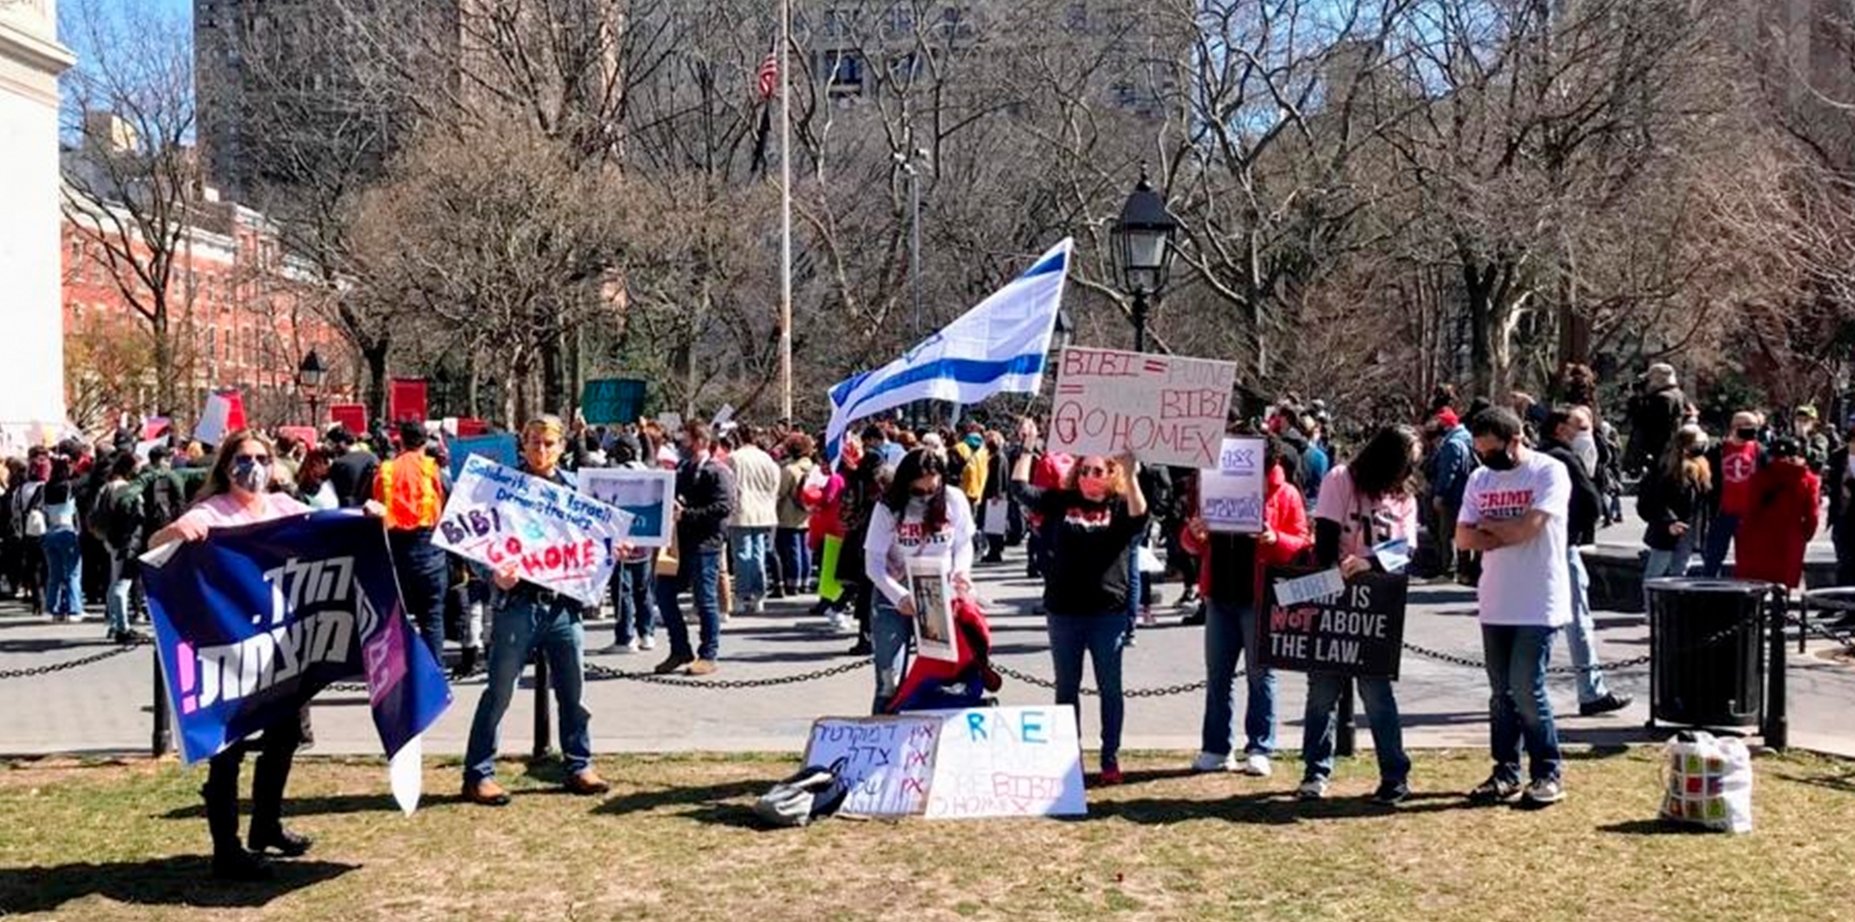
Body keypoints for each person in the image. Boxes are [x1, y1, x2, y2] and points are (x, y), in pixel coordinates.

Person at [147, 431, 324, 879]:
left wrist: (367, 517)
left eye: (262, 458)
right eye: (243, 458)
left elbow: (330, 531)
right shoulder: (211, 511)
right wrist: (175, 530)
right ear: (226, 466)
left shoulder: (285, 507)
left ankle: (266, 826)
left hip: (282, 649)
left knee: (284, 738)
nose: (254, 466)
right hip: (228, 649)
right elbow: (154, 551)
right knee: (227, 750)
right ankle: (226, 848)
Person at [463, 415, 611, 806]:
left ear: (562, 446)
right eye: (533, 443)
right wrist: (493, 574)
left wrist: (615, 550)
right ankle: (478, 773)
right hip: (518, 604)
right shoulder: (500, 489)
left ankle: (579, 764)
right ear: (522, 446)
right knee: (498, 692)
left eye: (548, 443)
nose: (541, 450)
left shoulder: (578, 489)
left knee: (574, 693)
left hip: (563, 607)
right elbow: (475, 541)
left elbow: (599, 540)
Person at [1010, 447, 1148, 785]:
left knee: (1109, 688)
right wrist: (1027, 447)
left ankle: (1109, 758)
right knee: (1066, 689)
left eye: (1098, 471)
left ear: (1110, 474)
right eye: (1084, 471)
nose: (1089, 478)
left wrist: (1131, 476)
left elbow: (1140, 518)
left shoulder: (1119, 504)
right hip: (1064, 611)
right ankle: (1067, 756)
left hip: (1107, 613)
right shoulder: (1061, 501)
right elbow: (1020, 489)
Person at [1456, 408, 1571, 806]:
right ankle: (1505, 771)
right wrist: (1499, 531)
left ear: (1516, 438)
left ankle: (1547, 770)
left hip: (1539, 599)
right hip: (1495, 600)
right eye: (1480, 451)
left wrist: (1491, 528)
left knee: (1526, 688)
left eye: (1492, 450)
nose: (1486, 459)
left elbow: (1531, 528)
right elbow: (1463, 537)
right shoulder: (1479, 478)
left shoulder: (1548, 471)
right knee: (1500, 694)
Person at [1300, 425, 1420, 803]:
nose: (1409, 472)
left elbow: (1406, 549)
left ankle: (1394, 774)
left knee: (1377, 693)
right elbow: (1325, 538)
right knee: (1322, 691)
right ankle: (1316, 771)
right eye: (1406, 463)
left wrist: (1369, 562)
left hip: (1377, 599)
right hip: (1333, 593)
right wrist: (1333, 578)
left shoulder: (1404, 497)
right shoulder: (1341, 479)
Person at [1181, 434, 1310, 777]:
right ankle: (1216, 747)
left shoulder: (1285, 494)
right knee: (1218, 675)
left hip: (1258, 596)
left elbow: (1301, 542)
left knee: (1260, 674)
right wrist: (1195, 532)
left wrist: (1275, 539)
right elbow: (1189, 542)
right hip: (1219, 592)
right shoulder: (1213, 486)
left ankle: (1259, 747)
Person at [863, 448, 976, 713]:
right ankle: (883, 730)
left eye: (931, 491)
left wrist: (962, 571)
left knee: (939, 675)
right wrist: (899, 596)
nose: (925, 497)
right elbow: (873, 563)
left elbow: (963, 543)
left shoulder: (953, 499)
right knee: (888, 679)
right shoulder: (888, 507)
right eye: (918, 492)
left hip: (937, 593)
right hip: (895, 594)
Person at [1539, 408, 1631, 716]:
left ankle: (1525, 687)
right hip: (1565, 545)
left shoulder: (1539, 457)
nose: (1583, 433)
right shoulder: (1564, 458)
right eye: (1577, 427)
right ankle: (1591, 691)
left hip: (1543, 545)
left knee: (1542, 621)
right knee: (1577, 618)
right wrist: (1581, 528)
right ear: (1560, 428)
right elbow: (1590, 500)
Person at [654, 421, 735, 676]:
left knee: (705, 600)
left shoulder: (717, 471)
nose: (681, 444)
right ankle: (679, 649)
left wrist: (686, 514)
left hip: (705, 544)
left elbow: (723, 507)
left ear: (699, 441)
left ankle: (708, 654)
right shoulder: (684, 468)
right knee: (664, 593)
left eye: (685, 440)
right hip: (680, 544)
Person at [374, 421, 450, 662]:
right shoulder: (433, 469)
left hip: (395, 551)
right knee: (432, 617)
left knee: (397, 619)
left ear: (401, 441)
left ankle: (401, 676)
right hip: (430, 550)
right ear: (424, 441)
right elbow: (451, 501)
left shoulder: (385, 470)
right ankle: (434, 675)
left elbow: (372, 507)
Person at [1735, 437, 1820, 590]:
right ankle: (1782, 606)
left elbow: (1750, 507)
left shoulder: (1759, 477)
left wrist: (1745, 531)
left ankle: (1757, 609)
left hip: (1760, 532)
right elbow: (1812, 512)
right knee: (1785, 575)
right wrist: (1807, 533)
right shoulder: (1807, 479)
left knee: (1759, 574)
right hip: (1791, 534)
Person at [1639, 426, 1711, 599]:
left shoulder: (1701, 466)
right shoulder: (1666, 468)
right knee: (1656, 571)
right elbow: (1654, 500)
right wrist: (1668, 522)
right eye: (1699, 442)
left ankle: (1675, 607)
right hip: (1668, 528)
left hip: (1689, 526)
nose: (1703, 446)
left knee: (1681, 569)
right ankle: (1652, 609)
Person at [603, 431, 659, 654]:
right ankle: (647, 633)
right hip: (645, 543)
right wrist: (644, 434)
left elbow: (586, 463)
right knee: (643, 589)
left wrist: (580, 436)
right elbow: (651, 456)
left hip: (622, 544)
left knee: (623, 591)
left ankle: (625, 637)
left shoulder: (613, 475)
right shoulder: (651, 472)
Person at [1702, 412, 1767, 578]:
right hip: (1723, 512)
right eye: (1748, 427)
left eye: (1755, 427)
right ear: (1735, 427)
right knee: (1713, 557)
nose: (1753, 431)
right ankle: (1709, 593)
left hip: (1750, 514)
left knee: (1747, 560)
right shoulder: (1717, 451)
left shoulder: (1760, 451)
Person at [96, 451, 146, 644]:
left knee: (114, 581)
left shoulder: (107, 486)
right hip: (125, 539)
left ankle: (114, 623)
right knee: (122, 584)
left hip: (110, 538)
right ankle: (123, 628)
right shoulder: (126, 488)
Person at [1427, 409, 1474, 580]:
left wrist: (1440, 494)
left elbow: (1448, 471)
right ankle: (1464, 571)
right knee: (1462, 533)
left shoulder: (1452, 444)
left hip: (1452, 497)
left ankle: (1448, 571)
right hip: (1464, 495)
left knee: (1447, 534)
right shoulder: (1467, 439)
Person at [40, 457, 83, 623]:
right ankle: (74, 609)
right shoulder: (70, 487)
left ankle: (53, 609)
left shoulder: (47, 488)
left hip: (50, 533)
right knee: (73, 573)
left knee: (54, 574)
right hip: (67, 532)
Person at [775, 433, 817, 598]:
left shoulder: (789, 469)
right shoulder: (814, 468)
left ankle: (793, 581)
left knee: (792, 550)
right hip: (809, 513)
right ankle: (805, 581)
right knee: (806, 549)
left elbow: (781, 492)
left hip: (789, 514)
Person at [1625, 363, 1685, 476]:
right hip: (1671, 449)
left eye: (1649, 380)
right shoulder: (1678, 394)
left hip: (1658, 452)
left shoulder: (1662, 399)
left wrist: (1636, 401)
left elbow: (1644, 422)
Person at [1827, 427, 1855, 588]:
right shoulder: (1838, 456)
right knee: (1844, 559)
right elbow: (1832, 483)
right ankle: (1842, 600)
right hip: (1842, 514)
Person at [325, 426, 379, 508]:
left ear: (341, 443)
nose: (333, 448)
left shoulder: (339, 463)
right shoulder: (372, 457)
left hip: (348, 510)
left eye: (333, 444)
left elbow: (332, 490)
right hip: (371, 509)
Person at [1795, 406, 1831, 476]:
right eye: (1798, 420)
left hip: (1808, 479)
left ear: (1813, 422)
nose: (1800, 424)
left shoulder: (1820, 439)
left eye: (1805, 421)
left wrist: (1804, 442)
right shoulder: (1790, 437)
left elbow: (1820, 458)